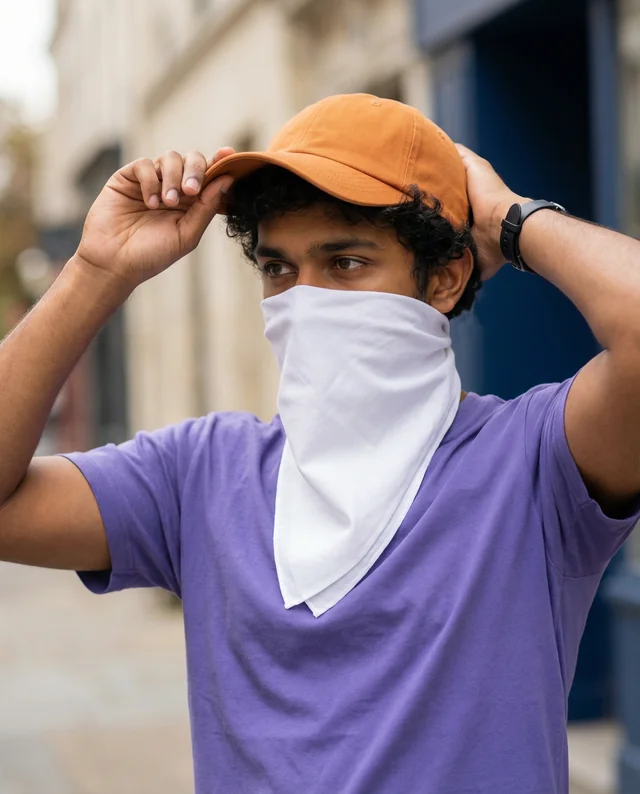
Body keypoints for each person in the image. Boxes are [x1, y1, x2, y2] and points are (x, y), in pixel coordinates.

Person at [0, 93, 639, 793]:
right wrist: (99, 270)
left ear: (447, 277)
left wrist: (508, 219)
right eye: (278, 269)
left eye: (345, 263)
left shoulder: (531, 465)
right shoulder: (201, 475)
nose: (304, 299)